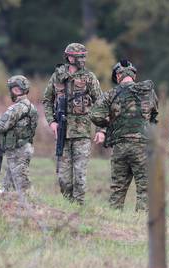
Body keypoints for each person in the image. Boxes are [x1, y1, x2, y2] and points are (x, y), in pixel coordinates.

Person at [90, 60, 158, 211]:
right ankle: (140, 222)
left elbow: (95, 115)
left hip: (120, 147)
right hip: (142, 147)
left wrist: (110, 123)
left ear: (118, 75)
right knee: (144, 188)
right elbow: (154, 116)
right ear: (133, 75)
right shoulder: (148, 92)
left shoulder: (111, 94)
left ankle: (115, 221)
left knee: (117, 188)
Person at [42, 42, 105, 205]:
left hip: (82, 133)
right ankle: (68, 207)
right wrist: (51, 122)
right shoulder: (57, 76)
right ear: (69, 57)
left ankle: (78, 209)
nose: (82, 60)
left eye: (84, 56)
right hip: (62, 133)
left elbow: (101, 104)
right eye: (79, 57)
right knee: (63, 179)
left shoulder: (89, 78)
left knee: (80, 176)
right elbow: (47, 100)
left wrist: (101, 129)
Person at [0, 75, 38, 192]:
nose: (10, 93)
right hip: (24, 147)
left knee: (23, 186)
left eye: (11, 90)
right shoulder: (31, 107)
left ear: (16, 90)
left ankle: (33, 207)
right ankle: (9, 203)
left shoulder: (16, 108)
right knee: (8, 186)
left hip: (17, 150)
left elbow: (0, 126)